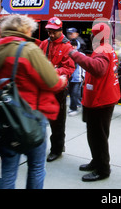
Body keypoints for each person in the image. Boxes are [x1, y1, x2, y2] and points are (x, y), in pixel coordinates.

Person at [0, 14, 68, 189]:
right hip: (29, 117)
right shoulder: (28, 49)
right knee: (36, 167)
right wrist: (62, 80)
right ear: (25, 29)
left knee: (5, 171)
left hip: (3, 117)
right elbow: (52, 81)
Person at [68, 22, 120, 182]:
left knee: (98, 136)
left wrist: (75, 54)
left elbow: (98, 68)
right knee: (96, 135)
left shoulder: (102, 49)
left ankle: (103, 169)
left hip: (100, 100)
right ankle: (96, 160)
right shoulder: (107, 48)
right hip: (103, 98)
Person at [39, 17, 75, 162]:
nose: (51, 34)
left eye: (54, 31)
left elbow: (70, 68)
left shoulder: (68, 47)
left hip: (59, 90)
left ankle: (57, 149)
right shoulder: (44, 44)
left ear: (60, 30)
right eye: (49, 31)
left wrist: (54, 71)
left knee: (57, 122)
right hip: (44, 88)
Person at [68, 38, 84, 117]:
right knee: (73, 93)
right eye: (72, 45)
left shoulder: (80, 55)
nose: (73, 47)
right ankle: (78, 104)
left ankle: (73, 108)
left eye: (75, 45)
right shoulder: (67, 54)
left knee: (74, 93)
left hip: (77, 78)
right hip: (70, 77)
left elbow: (84, 67)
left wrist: (84, 76)